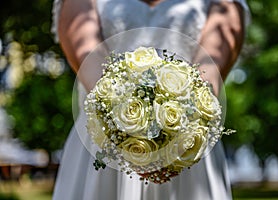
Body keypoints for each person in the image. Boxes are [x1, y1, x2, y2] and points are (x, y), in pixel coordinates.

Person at [51, 0, 250, 199]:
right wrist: (126, 127)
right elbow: (85, 52)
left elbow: (213, 63)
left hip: (186, 134)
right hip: (106, 136)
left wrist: (178, 127)